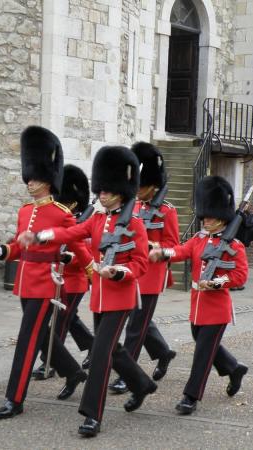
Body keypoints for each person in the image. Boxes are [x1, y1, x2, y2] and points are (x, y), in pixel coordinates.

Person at [35, 146, 157, 438]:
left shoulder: (135, 225)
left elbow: (140, 264)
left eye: (107, 191)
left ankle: (92, 414)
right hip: (100, 298)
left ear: (121, 191)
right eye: (100, 190)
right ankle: (141, 384)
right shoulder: (99, 220)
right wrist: (44, 235)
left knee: (100, 354)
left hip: (122, 297)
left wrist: (118, 272)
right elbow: (72, 232)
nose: (102, 195)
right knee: (113, 350)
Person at [0, 127, 91, 420]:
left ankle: (14, 398)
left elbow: (78, 244)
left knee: (27, 338)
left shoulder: (61, 213)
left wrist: (91, 269)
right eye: (29, 178)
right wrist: (1, 251)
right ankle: (72, 372)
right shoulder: (23, 212)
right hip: (24, 281)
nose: (31, 183)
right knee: (42, 335)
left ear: (49, 180)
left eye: (36, 178)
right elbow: (18, 248)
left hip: (47, 284)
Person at [149, 176, 249, 416]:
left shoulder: (235, 246)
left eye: (210, 217)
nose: (206, 221)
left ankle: (190, 396)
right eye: (204, 217)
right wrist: (162, 252)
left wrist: (217, 282)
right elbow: (181, 251)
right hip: (197, 306)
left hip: (217, 309)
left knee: (203, 353)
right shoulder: (199, 239)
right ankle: (233, 369)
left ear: (222, 217)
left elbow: (240, 276)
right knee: (205, 345)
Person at [109, 142, 178, 395]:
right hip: (130, 271)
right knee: (137, 321)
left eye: (143, 185)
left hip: (151, 275)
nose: (137, 190)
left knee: (136, 327)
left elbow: (173, 245)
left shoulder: (167, 211)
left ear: (154, 185)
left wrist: (152, 244)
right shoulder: (134, 206)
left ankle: (128, 375)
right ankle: (163, 352)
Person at [32, 164, 95, 380]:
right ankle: (93, 346)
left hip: (75, 280)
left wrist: (71, 258)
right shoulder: (60, 217)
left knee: (60, 322)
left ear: (74, 202)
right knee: (70, 319)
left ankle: (49, 363)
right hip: (56, 279)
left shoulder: (84, 223)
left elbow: (88, 253)